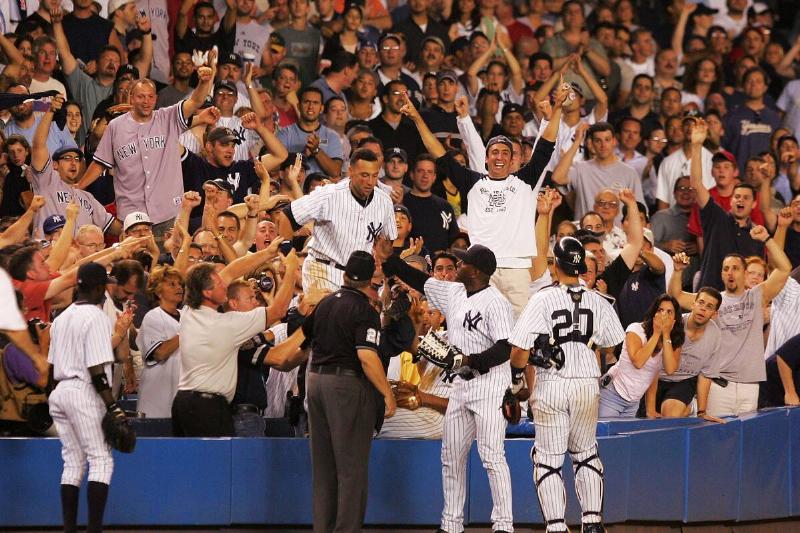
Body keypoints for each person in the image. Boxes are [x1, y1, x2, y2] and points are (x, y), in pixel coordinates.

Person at [374, 239, 516, 533]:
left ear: (475, 271)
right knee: (451, 456)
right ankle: (451, 524)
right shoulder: (455, 292)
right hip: (461, 386)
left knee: (491, 456)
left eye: (463, 263)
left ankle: (503, 525)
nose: (458, 266)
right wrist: (390, 262)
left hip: (489, 385)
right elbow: (421, 280)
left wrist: (470, 359)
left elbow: (505, 349)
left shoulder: (497, 303)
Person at [404, 84, 562, 316]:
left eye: (505, 153)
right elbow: (438, 152)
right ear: (486, 159)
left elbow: (546, 145)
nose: (499, 157)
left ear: (511, 161)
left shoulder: (524, 181)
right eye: (494, 152)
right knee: (479, 330)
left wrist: (558, 108)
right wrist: (417, 118)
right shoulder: (472, 181)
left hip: (516, 269)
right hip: (480, 269)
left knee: (518, 335)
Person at [508, 236, 626, 533]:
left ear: (556, 265)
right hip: (587, 381)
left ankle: (557, 527)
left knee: (548, 460)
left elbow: (519, 350)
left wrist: (515, 380)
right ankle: (592, 522)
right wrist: (586, 344)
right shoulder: (598, 300)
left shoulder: (543, 298)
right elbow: (615, 343)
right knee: (586, 453)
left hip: (552, 383)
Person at [77, 51, 218, 240]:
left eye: (150, 97)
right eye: (141, 96)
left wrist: (204, 82)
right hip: (132, 217)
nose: (146, 102)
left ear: (155, 98)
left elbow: (195, 101)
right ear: (131, 97)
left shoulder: (167, 118)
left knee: (167, 266)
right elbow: (100, 163)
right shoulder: (115, 127)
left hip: (167, 213)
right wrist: (79, 186)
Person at [302, 250, 396, 532]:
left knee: (324, 469)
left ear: (344, 274)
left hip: (315, 381)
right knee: (351, 470)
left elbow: (304, 345)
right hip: (345, 386)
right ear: (370, 281)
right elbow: (367, 357)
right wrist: (387, 393)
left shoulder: (326, 303)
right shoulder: (363, 310)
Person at [173, 245, 308, 436]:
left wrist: (267, 253)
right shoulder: (229, 325)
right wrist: (291, 273)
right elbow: (278, 311)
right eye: (220, 284)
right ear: (207, 293)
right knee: (216, 463)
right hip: (208, 407)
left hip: (183, 402)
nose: (225, 285)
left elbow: (232, 270)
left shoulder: (190, 311)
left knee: (191, 464)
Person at [47, 263, 127, 533]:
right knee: (101, 460)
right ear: (95, 287)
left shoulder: (61, 317)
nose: (106, 290)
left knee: (73, 462)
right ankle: (94, 530)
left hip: (60, 392)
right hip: (83, 390)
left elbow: (50, 366)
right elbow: (96, 369)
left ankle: (69, 529)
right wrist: (112, 405)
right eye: (104, 285)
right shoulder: (95, 316)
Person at [277, 148, 396, 291]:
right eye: (364, 175)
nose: (370, 182)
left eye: (374, 176)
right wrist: (285, 254)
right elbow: (287, 215)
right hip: (322, 270)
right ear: (350, 171)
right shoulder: (329, 195)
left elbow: (388, 240)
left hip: (359, 279)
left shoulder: (384, 201)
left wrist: (383, 251)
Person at [598, 295, 683, 418]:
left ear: (675, 319)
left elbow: (666, 371)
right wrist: (657, 333)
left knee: (624, 437)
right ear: (654, 313)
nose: (664, 315)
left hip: (633, 402)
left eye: (669, 312)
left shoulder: (672, 341)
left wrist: (651, 410)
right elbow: (638, 362)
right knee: (604, 436)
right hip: (612, 393)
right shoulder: (636, 330)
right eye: (660, 310)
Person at [645, 287, 723, 419]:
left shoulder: (715, 335)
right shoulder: (674, 323)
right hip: (655, 378)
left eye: (709, 307)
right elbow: (652, 365)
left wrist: (702, 412)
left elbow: (705, 376)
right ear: (693, 304)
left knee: (670, 415)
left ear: (714, 314)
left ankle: (690, 407)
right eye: (701, 303)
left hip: (684, 381)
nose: (703, 309)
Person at [137, 266, 184, 418]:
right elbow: (159, 353)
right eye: (172, 284)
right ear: (158, 291)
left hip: (181, 393)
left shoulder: (186, 316)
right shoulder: (153, 317)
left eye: (180, 284)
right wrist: (188, 331)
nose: (179, 287)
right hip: (157, 398)